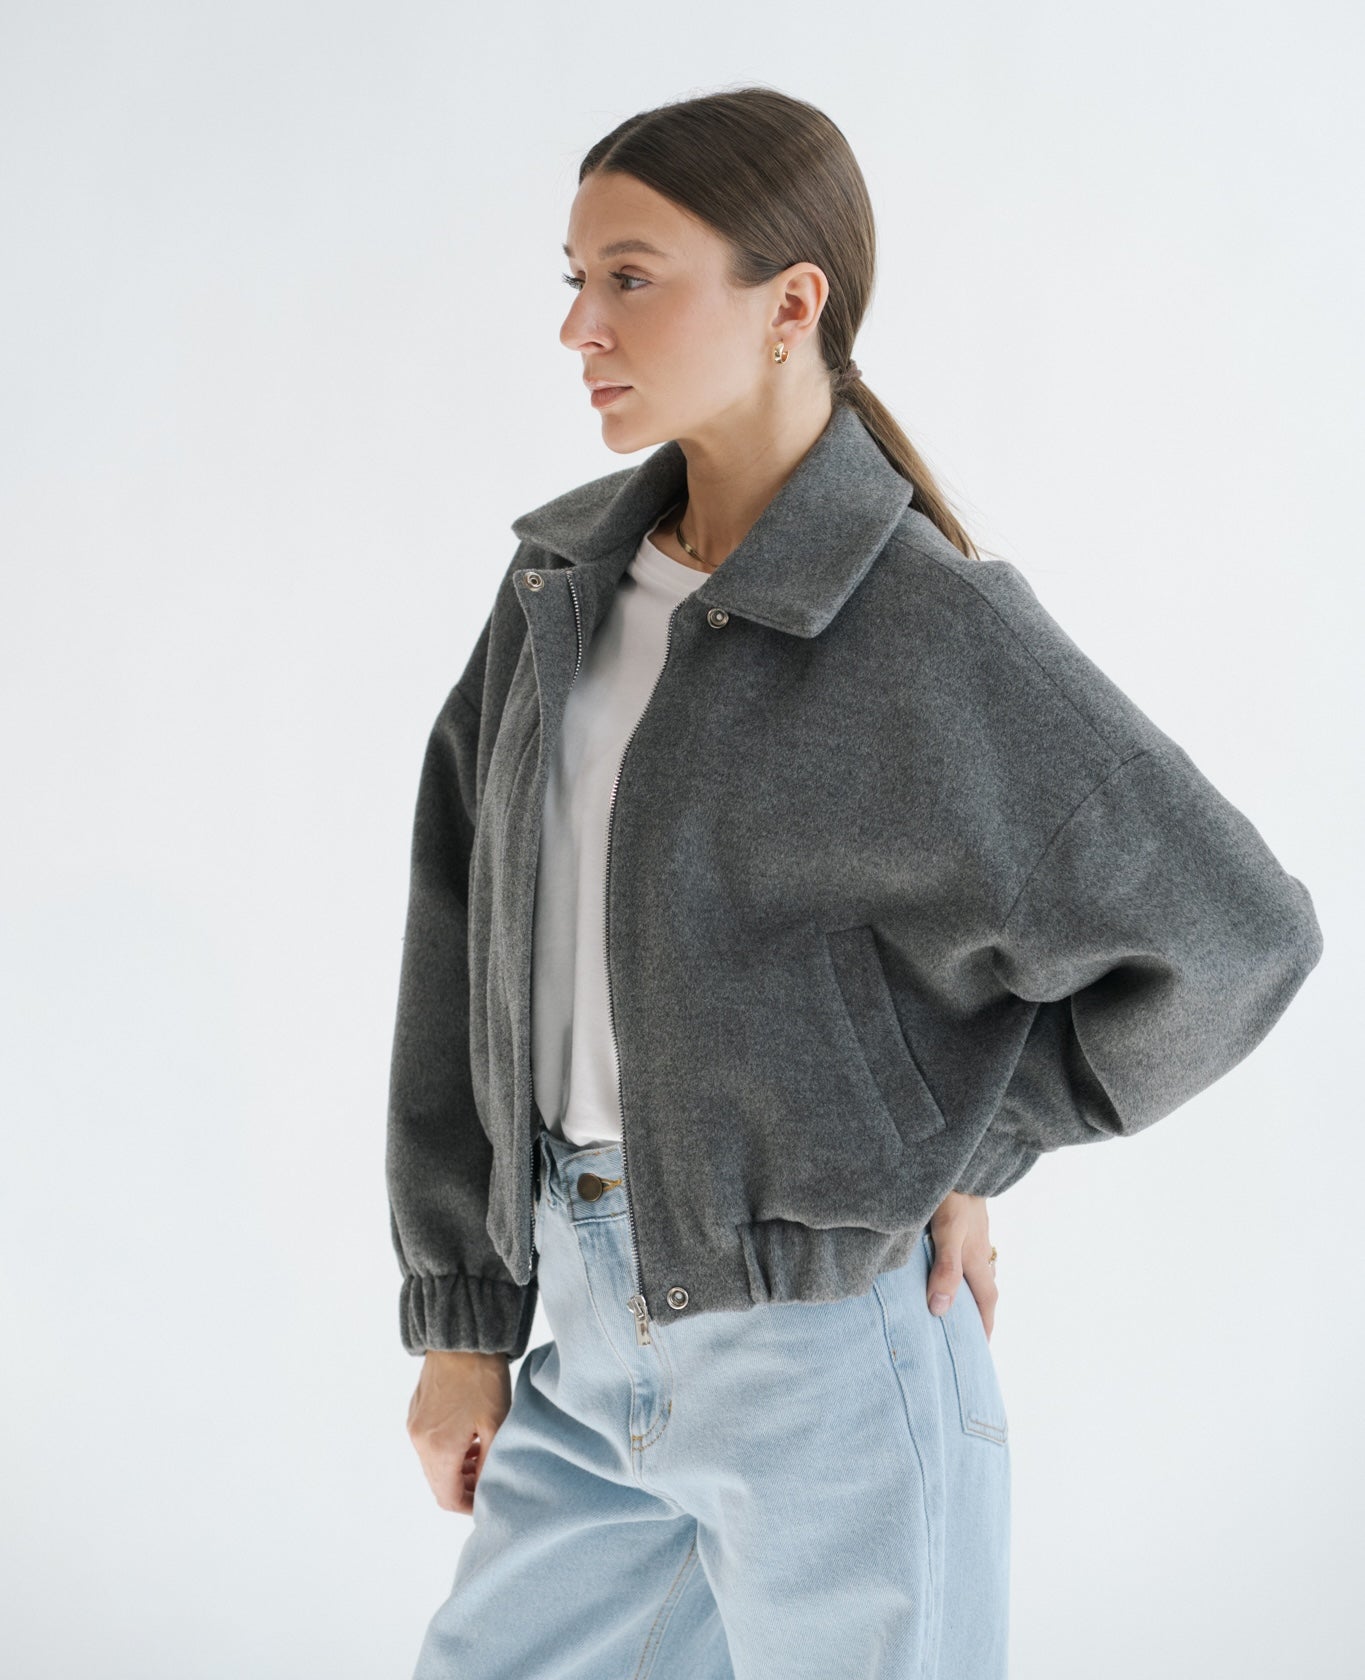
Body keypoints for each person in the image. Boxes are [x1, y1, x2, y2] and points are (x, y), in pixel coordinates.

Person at [386, 87, 1324, 1680]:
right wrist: (466, 1317)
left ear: (789, 304)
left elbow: (1235, 938)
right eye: (575, 279)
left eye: (630, 278)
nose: (578, 329)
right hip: (585, 1332)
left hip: (826, 1356)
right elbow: (463, 934)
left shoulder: (924, 627)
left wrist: (952, 1145)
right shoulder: (559, 586)